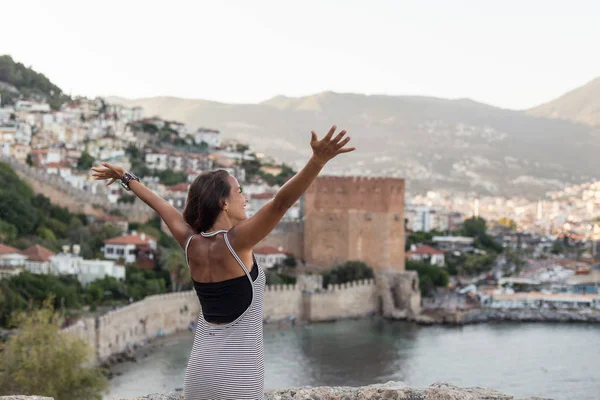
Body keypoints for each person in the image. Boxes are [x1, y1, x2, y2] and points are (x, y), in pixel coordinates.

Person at [91, 125, 354, 399]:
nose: (246, 198)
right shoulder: (237, 241)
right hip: (236, 378)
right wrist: (317, 161)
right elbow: (280, 203)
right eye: (239, 191)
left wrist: (126, 177)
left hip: (198, 376)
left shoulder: (190, 242)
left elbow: (161, 205)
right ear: (224, 203)